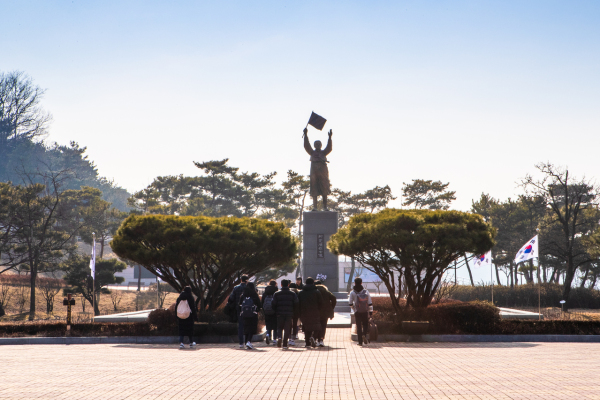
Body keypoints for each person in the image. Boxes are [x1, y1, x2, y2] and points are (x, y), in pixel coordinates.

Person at [272, 279, 299, 349]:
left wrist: (276, 311)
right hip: (289, 313)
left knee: (279, 327)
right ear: (288, 285)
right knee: (287, 328)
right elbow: (296, 303)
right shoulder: (293, 294)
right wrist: (293, 311)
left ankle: (279, 337)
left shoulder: (276, 293)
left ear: (281, 285)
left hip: (279, 313)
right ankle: (284, 344)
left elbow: (273, 304)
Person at [297, 277, 323, 348]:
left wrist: (299, 313)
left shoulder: (301, 292)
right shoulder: (317, 292)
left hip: (304, 312)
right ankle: (314, 338)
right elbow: (321, 303)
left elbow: (298, 303)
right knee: (317, 326)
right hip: (315, 312)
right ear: (313, 283)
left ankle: (307, 343)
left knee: (306, 327)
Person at [348, 277, 373, 346]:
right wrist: (370, 312)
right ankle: (364, 334)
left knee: (358, 326)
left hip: (357, 312)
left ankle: (360, 342)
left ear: (354, 283)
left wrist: (354, 308)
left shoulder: (352, 292)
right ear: (361, 283)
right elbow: (370, 303)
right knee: (365, 324)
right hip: (365, 311)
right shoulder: (366, 291)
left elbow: (350, 303)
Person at [238, 282, 261, 350]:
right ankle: (249, 341)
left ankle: (246, 342)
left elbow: (239, 304)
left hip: (244, 314)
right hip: (253, 314)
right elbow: (259, 304)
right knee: (252, 328)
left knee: (246, 327)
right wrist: (257, 310)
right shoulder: (254, 294)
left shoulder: (243, 294)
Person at [228, 275, 248, 349]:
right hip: (248, 309)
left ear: (241, 280)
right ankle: (248, 342)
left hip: (238, 308)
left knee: (240, 325)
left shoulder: (236, 288)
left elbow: (231, 297)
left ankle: (241, 343)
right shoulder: (248, 288)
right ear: (247, 280)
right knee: (247, 326)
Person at [315, 280, 337, 347]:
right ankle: (321, 340)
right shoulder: (326, 291)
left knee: (316, 325)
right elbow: (334, 298)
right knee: (323, 326)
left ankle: (316, 339)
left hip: (316, 311)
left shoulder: (314, 292)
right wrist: (331, 307)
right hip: (325, 312)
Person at [262, 280, 278, 345]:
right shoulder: (276, 292)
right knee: (275, 326)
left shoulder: (265, 292)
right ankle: (274, 339)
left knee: (268, 325)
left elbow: (262, 302)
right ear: (275, 284)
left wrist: (263, 310)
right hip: (275, 311)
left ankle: (268, 335)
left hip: (267, 311)